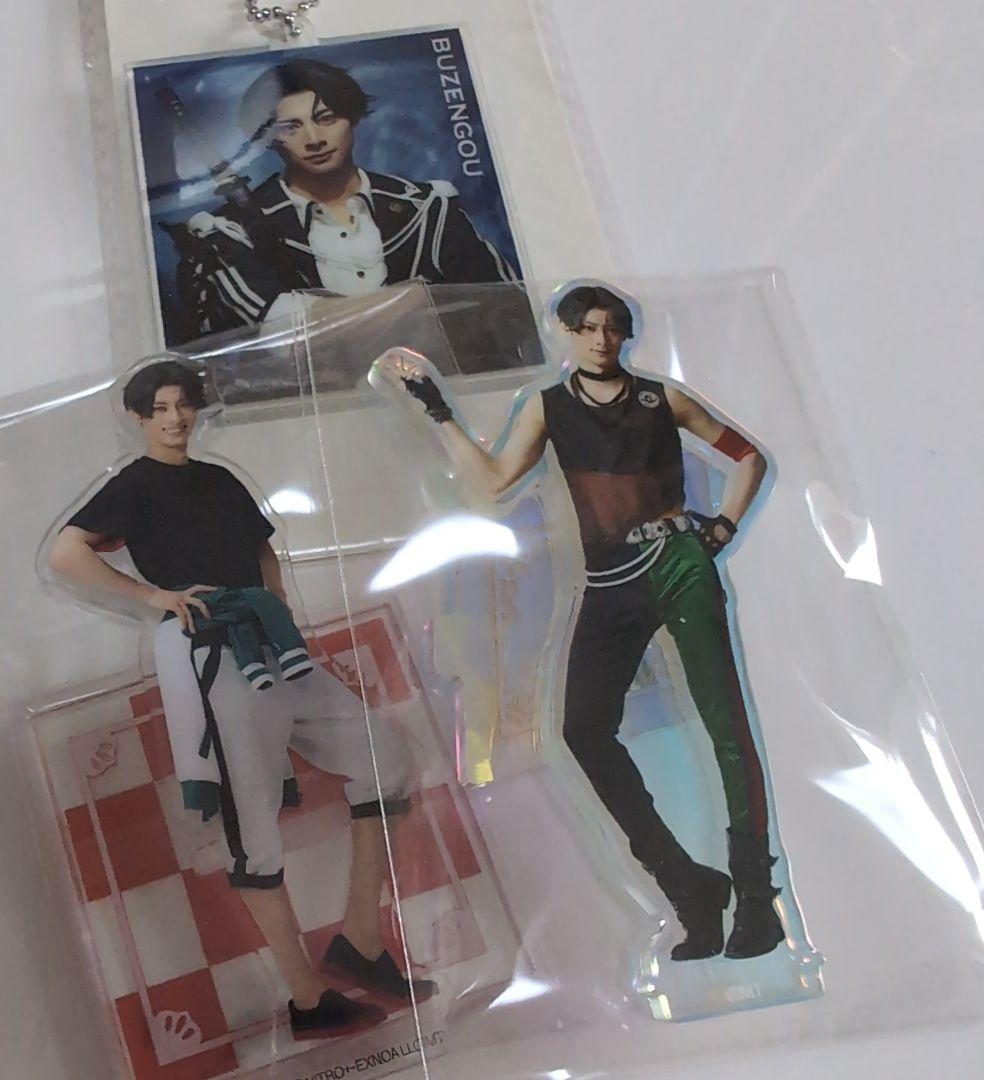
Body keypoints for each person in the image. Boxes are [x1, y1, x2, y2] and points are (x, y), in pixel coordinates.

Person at [374, 284, 785, 962]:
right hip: (608, 579)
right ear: (568, 332)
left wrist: (721, 528)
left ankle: (756, 899)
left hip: (678, 564)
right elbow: (494, 484)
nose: (601, 340)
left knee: (725, 726)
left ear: (625, 334)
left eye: (612, 328)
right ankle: (687, 886)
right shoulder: (549, 406)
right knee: (582, 731)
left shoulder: (662, 398)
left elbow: (749, 456)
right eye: (588, 328)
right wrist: (438, 412)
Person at [48, 360, 435, 1040]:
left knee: (386, 756)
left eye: (183, 405)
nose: (175, 418)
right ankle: (307, 999)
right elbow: (66, 553)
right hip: (209, 649)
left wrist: (276, 604)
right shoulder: (134, 485)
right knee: (251, 822)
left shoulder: (219, 479)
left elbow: (262, 550)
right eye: (160, 408)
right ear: (138, 417)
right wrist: (153, 596)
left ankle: (362, 940)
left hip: (269, 638)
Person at [169, 58, 516, 341]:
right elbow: (282, 334)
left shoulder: (427, 207)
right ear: (269, 139)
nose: (314, 139)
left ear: (352, 119)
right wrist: (417, 297)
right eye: (291, 127)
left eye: (326, 119)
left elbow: (504, 306)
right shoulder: (229, 231)